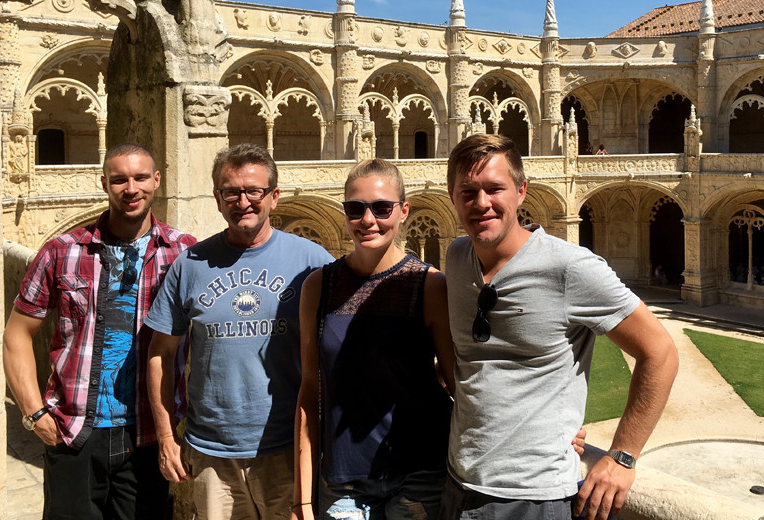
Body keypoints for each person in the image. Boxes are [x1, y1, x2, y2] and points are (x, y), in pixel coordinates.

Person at [441, 134, 679, 520]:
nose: (481, 202)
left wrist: (622, 456)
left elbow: (660, 352)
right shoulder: (456, 257)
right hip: (458, 483)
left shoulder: (570, 268)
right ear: (452, 197)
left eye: (494, 189)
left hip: (534, 498)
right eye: (468, 191)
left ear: (521, 191)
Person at [3, 142, 197, 520]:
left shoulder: (183, 252)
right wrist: (33, 414)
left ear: (156, 181)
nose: (131, 188)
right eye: (120, 179)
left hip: (150, 434)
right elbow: (17, 333)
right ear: (104, 183)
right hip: (75, 432)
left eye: (141, 178)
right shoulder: (62, 250)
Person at [145, 143, 333, 520]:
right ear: (217, 199)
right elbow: (160, 354)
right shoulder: (190, 264)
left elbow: (348, 341)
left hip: (290, 449)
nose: (243, 201)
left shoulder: (313, 261)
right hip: (213, 452)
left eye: (254, 191)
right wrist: (166, 437)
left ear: (274, 197)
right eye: (231, 191)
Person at [292, 159, 455, 520]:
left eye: (381, 208)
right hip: (343, 481)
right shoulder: (319, 287)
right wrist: (302, 499)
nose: (368, 220)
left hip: (420, 472)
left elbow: (458, 382)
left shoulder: (430, 285)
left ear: (403, 211)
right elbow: (309, 393)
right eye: (355, 208)